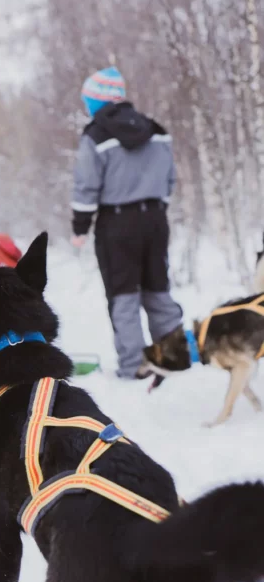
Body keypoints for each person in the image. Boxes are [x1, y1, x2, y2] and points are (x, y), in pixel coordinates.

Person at [71, 66, 182, 379]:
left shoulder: (96, 135)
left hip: (117, 225)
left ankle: (135, 365)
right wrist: (154, 208)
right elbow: (170, 179)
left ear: (97, 102)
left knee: (123, 294)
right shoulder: (157, 130)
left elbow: (86, 185)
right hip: (156, 219)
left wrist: (80, 226)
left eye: (88, 100)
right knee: (158, 288)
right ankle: (173, 354)